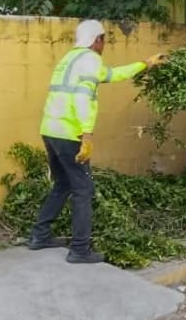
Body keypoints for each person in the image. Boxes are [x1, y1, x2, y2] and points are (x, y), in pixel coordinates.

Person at [28, 20, 167, 263]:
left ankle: (40, 235)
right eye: (103, 39)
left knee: (62, 183)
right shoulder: (90, 60)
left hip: (50, 130)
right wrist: (87, 135)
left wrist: (145, 64)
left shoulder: (69, 59)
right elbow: (83, 98)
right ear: (96, 40)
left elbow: (112, 75)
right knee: (84, 190)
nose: (104, 44)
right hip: (70, 134)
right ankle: (80, 249)